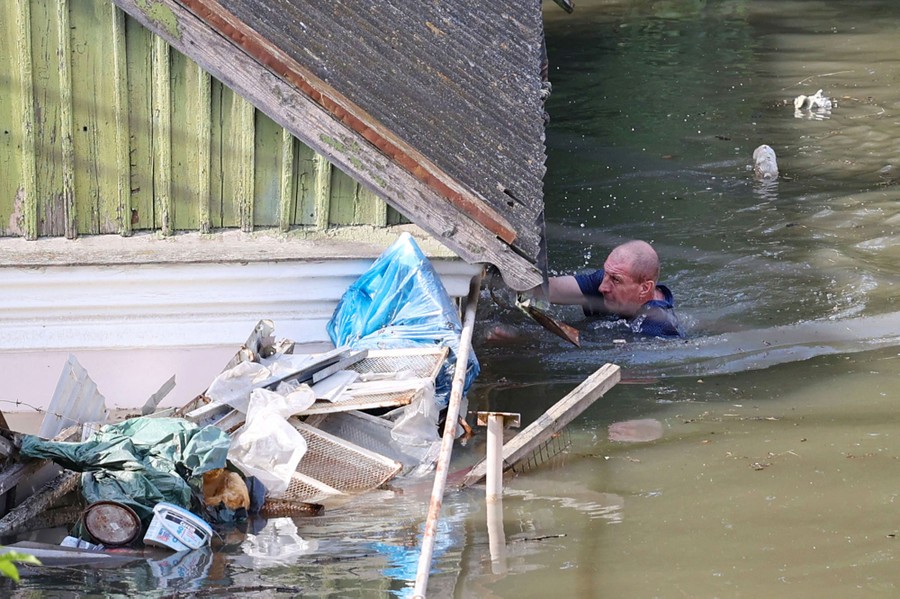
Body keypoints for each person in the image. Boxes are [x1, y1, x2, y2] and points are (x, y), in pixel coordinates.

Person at [537, 239, 682, 338]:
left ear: (645, 288)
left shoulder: (659, 326)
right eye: (606, 273)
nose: (602, 287)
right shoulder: (608, 280)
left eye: (615, 279)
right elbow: (548, 290)